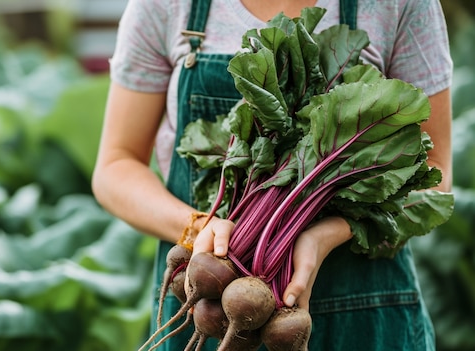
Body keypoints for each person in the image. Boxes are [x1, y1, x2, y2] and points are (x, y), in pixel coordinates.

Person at [92, 0, 453, 350]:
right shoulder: (166, 5)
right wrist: (198, 227)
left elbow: (433, 172)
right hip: (206, 298)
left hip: (366, 311)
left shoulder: (402, 4)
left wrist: (325, 235)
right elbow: (116, 166)